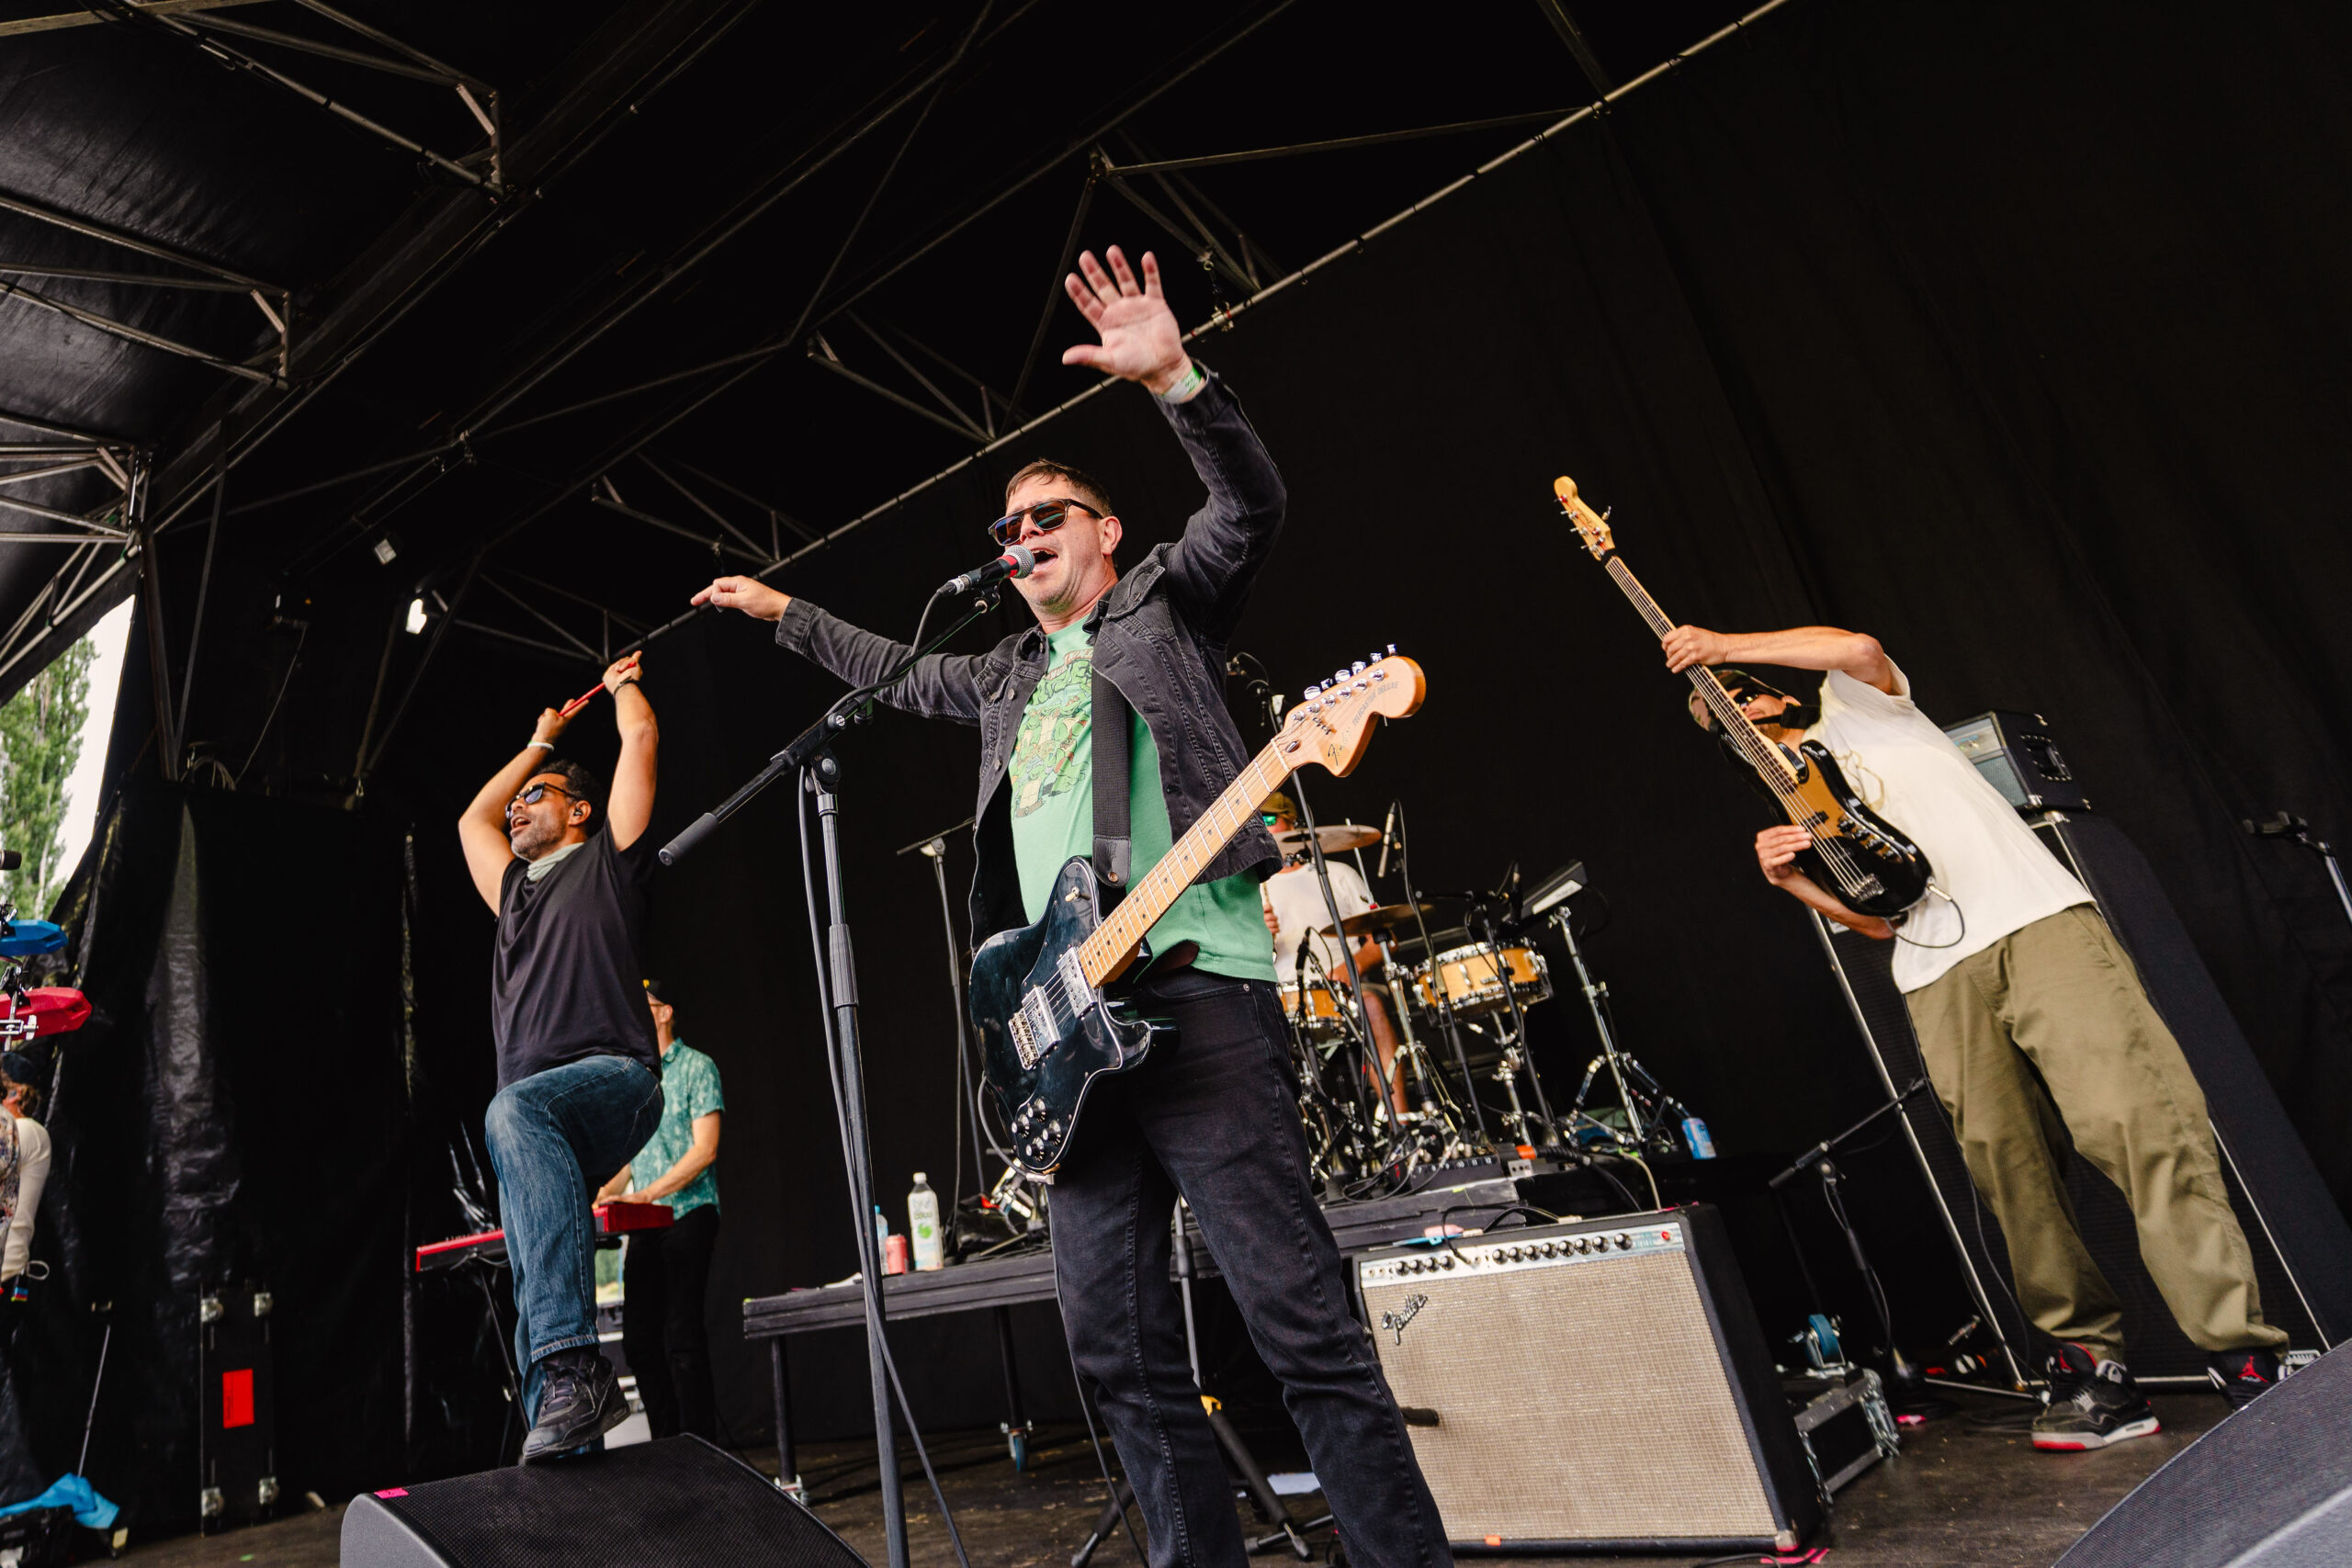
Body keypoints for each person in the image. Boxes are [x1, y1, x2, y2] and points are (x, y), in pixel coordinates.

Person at [693, 247, 1450, 1568]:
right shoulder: (997, 675)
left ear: (1104, 532)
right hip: (1072, 1044)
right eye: (1007, 527)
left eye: (1048, 513)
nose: (1023, 534)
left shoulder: (1165, 600)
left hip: (1199, 997)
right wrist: (785, 612)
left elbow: (1251, 504)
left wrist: (1176, 380)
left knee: (1299, 1324)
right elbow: (889, 670)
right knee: (1115, 1351)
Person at [1664, 622, 2288, 1450]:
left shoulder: (1856, 710)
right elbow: (1878, 924)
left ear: (1773, 695)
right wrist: (1793, 884)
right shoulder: (1799, 809)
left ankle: (2242, 1353)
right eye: (1717, 719)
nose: (1732, 713)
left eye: (1738, 696)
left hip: (2033, 924)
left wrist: (1722, 647)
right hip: (1934, 974)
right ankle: (2093, 1370)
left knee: (2137, 1124)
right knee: (2009, 1170)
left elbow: (1858, 648)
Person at [457, 653, 665, 1462]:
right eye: (517, 799)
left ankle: (579, 1370)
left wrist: (620, 687)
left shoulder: (608, 858)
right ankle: (568, 1456)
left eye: (534, 795)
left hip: (616, 1077)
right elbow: (470, 820)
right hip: (537, 1120)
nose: (514, 806)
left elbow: (639, 736)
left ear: (579, 809)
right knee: (534, 1279)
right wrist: (537, 745)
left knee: (514, 1107)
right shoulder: (512, 891)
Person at [594, 980, 723, 1440]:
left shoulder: (696, 1067)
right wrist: (601, 1195)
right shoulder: (636, 1081)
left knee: (682, 1337)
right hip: (646, 1221)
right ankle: (667, 1446)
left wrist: (645, 1195)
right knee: (639, 1341)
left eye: (642, 1005)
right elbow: (632, 1162)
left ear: (665, 1013)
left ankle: (700, 1447)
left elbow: (704, 1150)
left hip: (688, 1213)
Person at [1258, 791, 1411, 1115]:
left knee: (1372, 1005)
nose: (1263, 826)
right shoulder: (1253, 891)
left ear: (1293, 822)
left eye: (1269, 818)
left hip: (1344, 993)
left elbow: (1385, 940)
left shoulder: (1337, 875)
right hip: (1284, 1002)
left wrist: (1348, 970)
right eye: (1256, 821)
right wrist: (1258, 935)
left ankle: (1400, 1123)